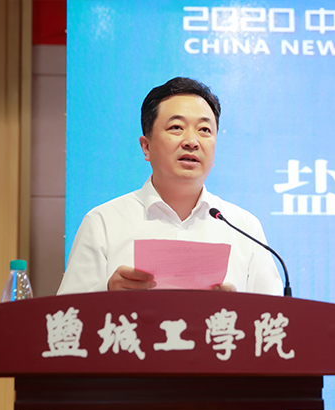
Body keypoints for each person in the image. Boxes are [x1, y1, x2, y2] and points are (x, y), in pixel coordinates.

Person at [57, 77, 282, 295]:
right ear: (146, 147)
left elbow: (274, 315)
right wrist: (107, 292)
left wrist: (239, 309)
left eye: (204, 130)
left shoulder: (244, 228)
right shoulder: (103, 223)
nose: (192, 142)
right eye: (176, 127)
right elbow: (67, 315)